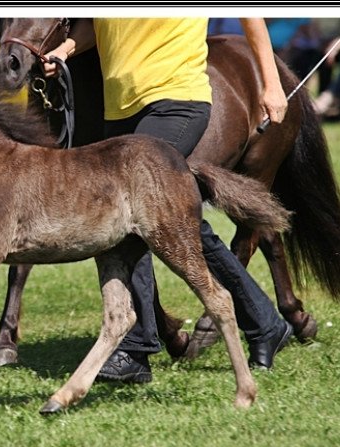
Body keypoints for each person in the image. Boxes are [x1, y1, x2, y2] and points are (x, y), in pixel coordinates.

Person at [43, 18, 293, 383]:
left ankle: (135, 348)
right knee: (174, 218)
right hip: (120, 109)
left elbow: (249, 15)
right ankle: (265, 321)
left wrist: (271, 85)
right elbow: (100, 25)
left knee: (135, 213)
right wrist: (65, 50)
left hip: (177, 100)